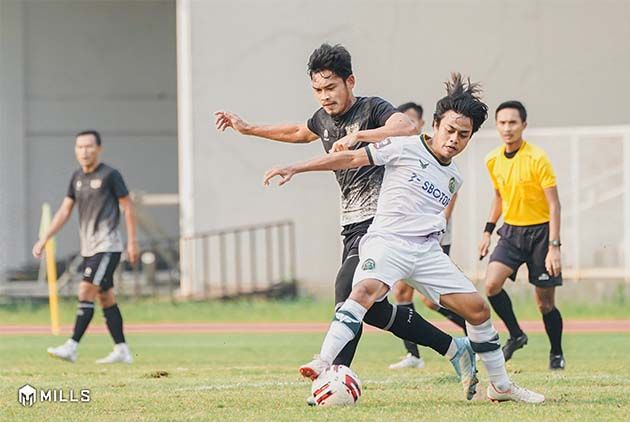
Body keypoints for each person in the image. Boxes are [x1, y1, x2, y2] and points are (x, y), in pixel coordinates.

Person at [264, 74, 544, 404]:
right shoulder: (404, 146)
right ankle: (324, 361)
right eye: (449, 130)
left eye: (463, 135)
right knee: (363, 292)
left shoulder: (454, 177)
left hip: (426, 252)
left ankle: (500, 386)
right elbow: (350, 159)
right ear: (436, 125)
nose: (454, 139)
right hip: (388, 242)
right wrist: (297, 167)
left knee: (479, 311)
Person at [214, 44, 476, 380]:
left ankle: (334, 374)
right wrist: (248, 128)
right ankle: (454, 348)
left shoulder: (371, 108)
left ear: (350, 81)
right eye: (317, 90)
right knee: (375, 311)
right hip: (352, 224)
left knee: (345, 289)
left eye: (330, 87)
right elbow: (297, 132)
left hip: (382, 222)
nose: (324, 96)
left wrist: (359, 136)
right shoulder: (323, 119)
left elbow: (407, 127)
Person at [34, 130, 138, 364]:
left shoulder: (111, 175)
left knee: (85, 290)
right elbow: (64, 211)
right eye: (80, 147)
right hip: (89, 248)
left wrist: (132, 242)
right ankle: (122, 349)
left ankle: (71, 346)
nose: (84, 151)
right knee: (106, 297)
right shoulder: (76, 178)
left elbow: (128, 207)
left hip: (107, 246)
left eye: (89, 146)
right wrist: (44, 238)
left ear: (98, 149)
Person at [478, 100, 565, 370]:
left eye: (513, 122)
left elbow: (554, 205)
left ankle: (556, 353)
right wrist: (487, 232)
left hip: (541, 234)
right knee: (491, 285)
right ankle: (516, 334)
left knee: (545, 303)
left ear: (523, 125)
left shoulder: (537, 158)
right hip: (512, 233)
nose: (507, 128)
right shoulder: (492, 160)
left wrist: (554, 246)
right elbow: (499, 198)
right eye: (502, 123)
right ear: (497, 125)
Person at [388, 102, 467, 370]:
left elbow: (449, 196)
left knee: (432, 300)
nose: (405, 127)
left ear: (423, 125)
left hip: (433, 238)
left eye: (410, 122)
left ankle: (475, 332)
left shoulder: (440, 157)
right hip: (405, 237)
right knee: (401, 293)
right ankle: (414, 355)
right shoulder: (403, 152)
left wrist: (438, 225)